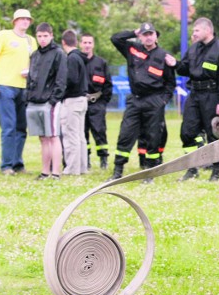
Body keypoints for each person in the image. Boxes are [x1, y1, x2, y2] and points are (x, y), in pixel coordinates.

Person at [107, 22, 176, 183]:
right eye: (145, 34)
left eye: (151, 34)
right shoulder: (132, 49)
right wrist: (133, 32)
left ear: (156, 36)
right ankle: (118, 171)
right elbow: (115, 38)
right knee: (125, 134)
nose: (148, 37)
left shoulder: (164, 57)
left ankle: (149, 173)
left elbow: (170, 83)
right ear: (140, 36)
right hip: (135, 99)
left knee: (153, 138)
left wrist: (163, 101)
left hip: (154, 101)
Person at [167, 17, 219, 182]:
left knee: (214, 134)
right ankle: (192, 169)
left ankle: (216, 172)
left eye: (196, 30)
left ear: (207, 30)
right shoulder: (194, 48)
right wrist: (174, 63)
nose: (194, 34)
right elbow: (185, 69)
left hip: (212, 95)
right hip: (194, 94)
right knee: (187, 132)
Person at [0, 9, 38, 175]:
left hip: (24, 87)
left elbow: (35, 64)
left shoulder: (31, 41)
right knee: (9, 126)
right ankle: (6, 165)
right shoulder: (3, 35)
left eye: (27, 19)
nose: (24, 22)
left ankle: (18, 163)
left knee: (22, 127)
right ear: (15, 21)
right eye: (21, 19)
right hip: (5, 85)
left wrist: (30, 72)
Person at [25, 22, 67, 180]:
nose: (42, 39)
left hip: (50, 102)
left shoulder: (59, 54)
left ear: (51, 36)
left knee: (53, 136)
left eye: (45, 36)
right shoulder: (35, 55)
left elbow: (61, 80)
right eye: (39, 36)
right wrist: (28, 97)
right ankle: (45, 172)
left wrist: (53, 100)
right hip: (34, 101)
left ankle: (56, 172)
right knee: (42, 138)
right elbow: (30, 78)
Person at [80, 33, 113, 170]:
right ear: (80, 44)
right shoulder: (76, 61)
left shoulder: (101, 63)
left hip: (97, 103)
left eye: (89, 43)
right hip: (81, 102)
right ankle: (85, 160)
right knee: (82, 133)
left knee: (99, 132)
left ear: (93, 45)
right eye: (85, 42)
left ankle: (103, 159)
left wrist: (103, 102)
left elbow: (108, 84)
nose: (87, 45)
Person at [60, 30, 89, 175]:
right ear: (76, 42)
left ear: (63, 43)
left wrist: (60, 92)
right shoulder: (80, 58)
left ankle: (72, 168)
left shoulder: (71, 58)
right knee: (80, 136)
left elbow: (71, 79)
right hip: (82, 99)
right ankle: (82, 167)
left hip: (72, 100)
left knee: (71, 136)